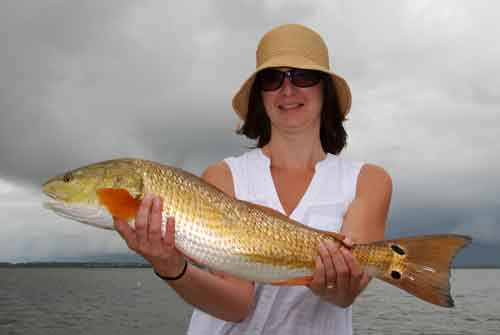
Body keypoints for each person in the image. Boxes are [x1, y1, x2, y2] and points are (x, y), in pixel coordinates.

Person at [114, 24, 392, 335]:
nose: (288, 90)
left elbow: (344, 296)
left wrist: (337, 283)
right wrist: (170, 267)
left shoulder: (368, 180)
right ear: (260, 96)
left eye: (303, 75)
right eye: (273, 79)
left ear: (325, 89)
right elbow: (236, 305)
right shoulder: (222, 175)